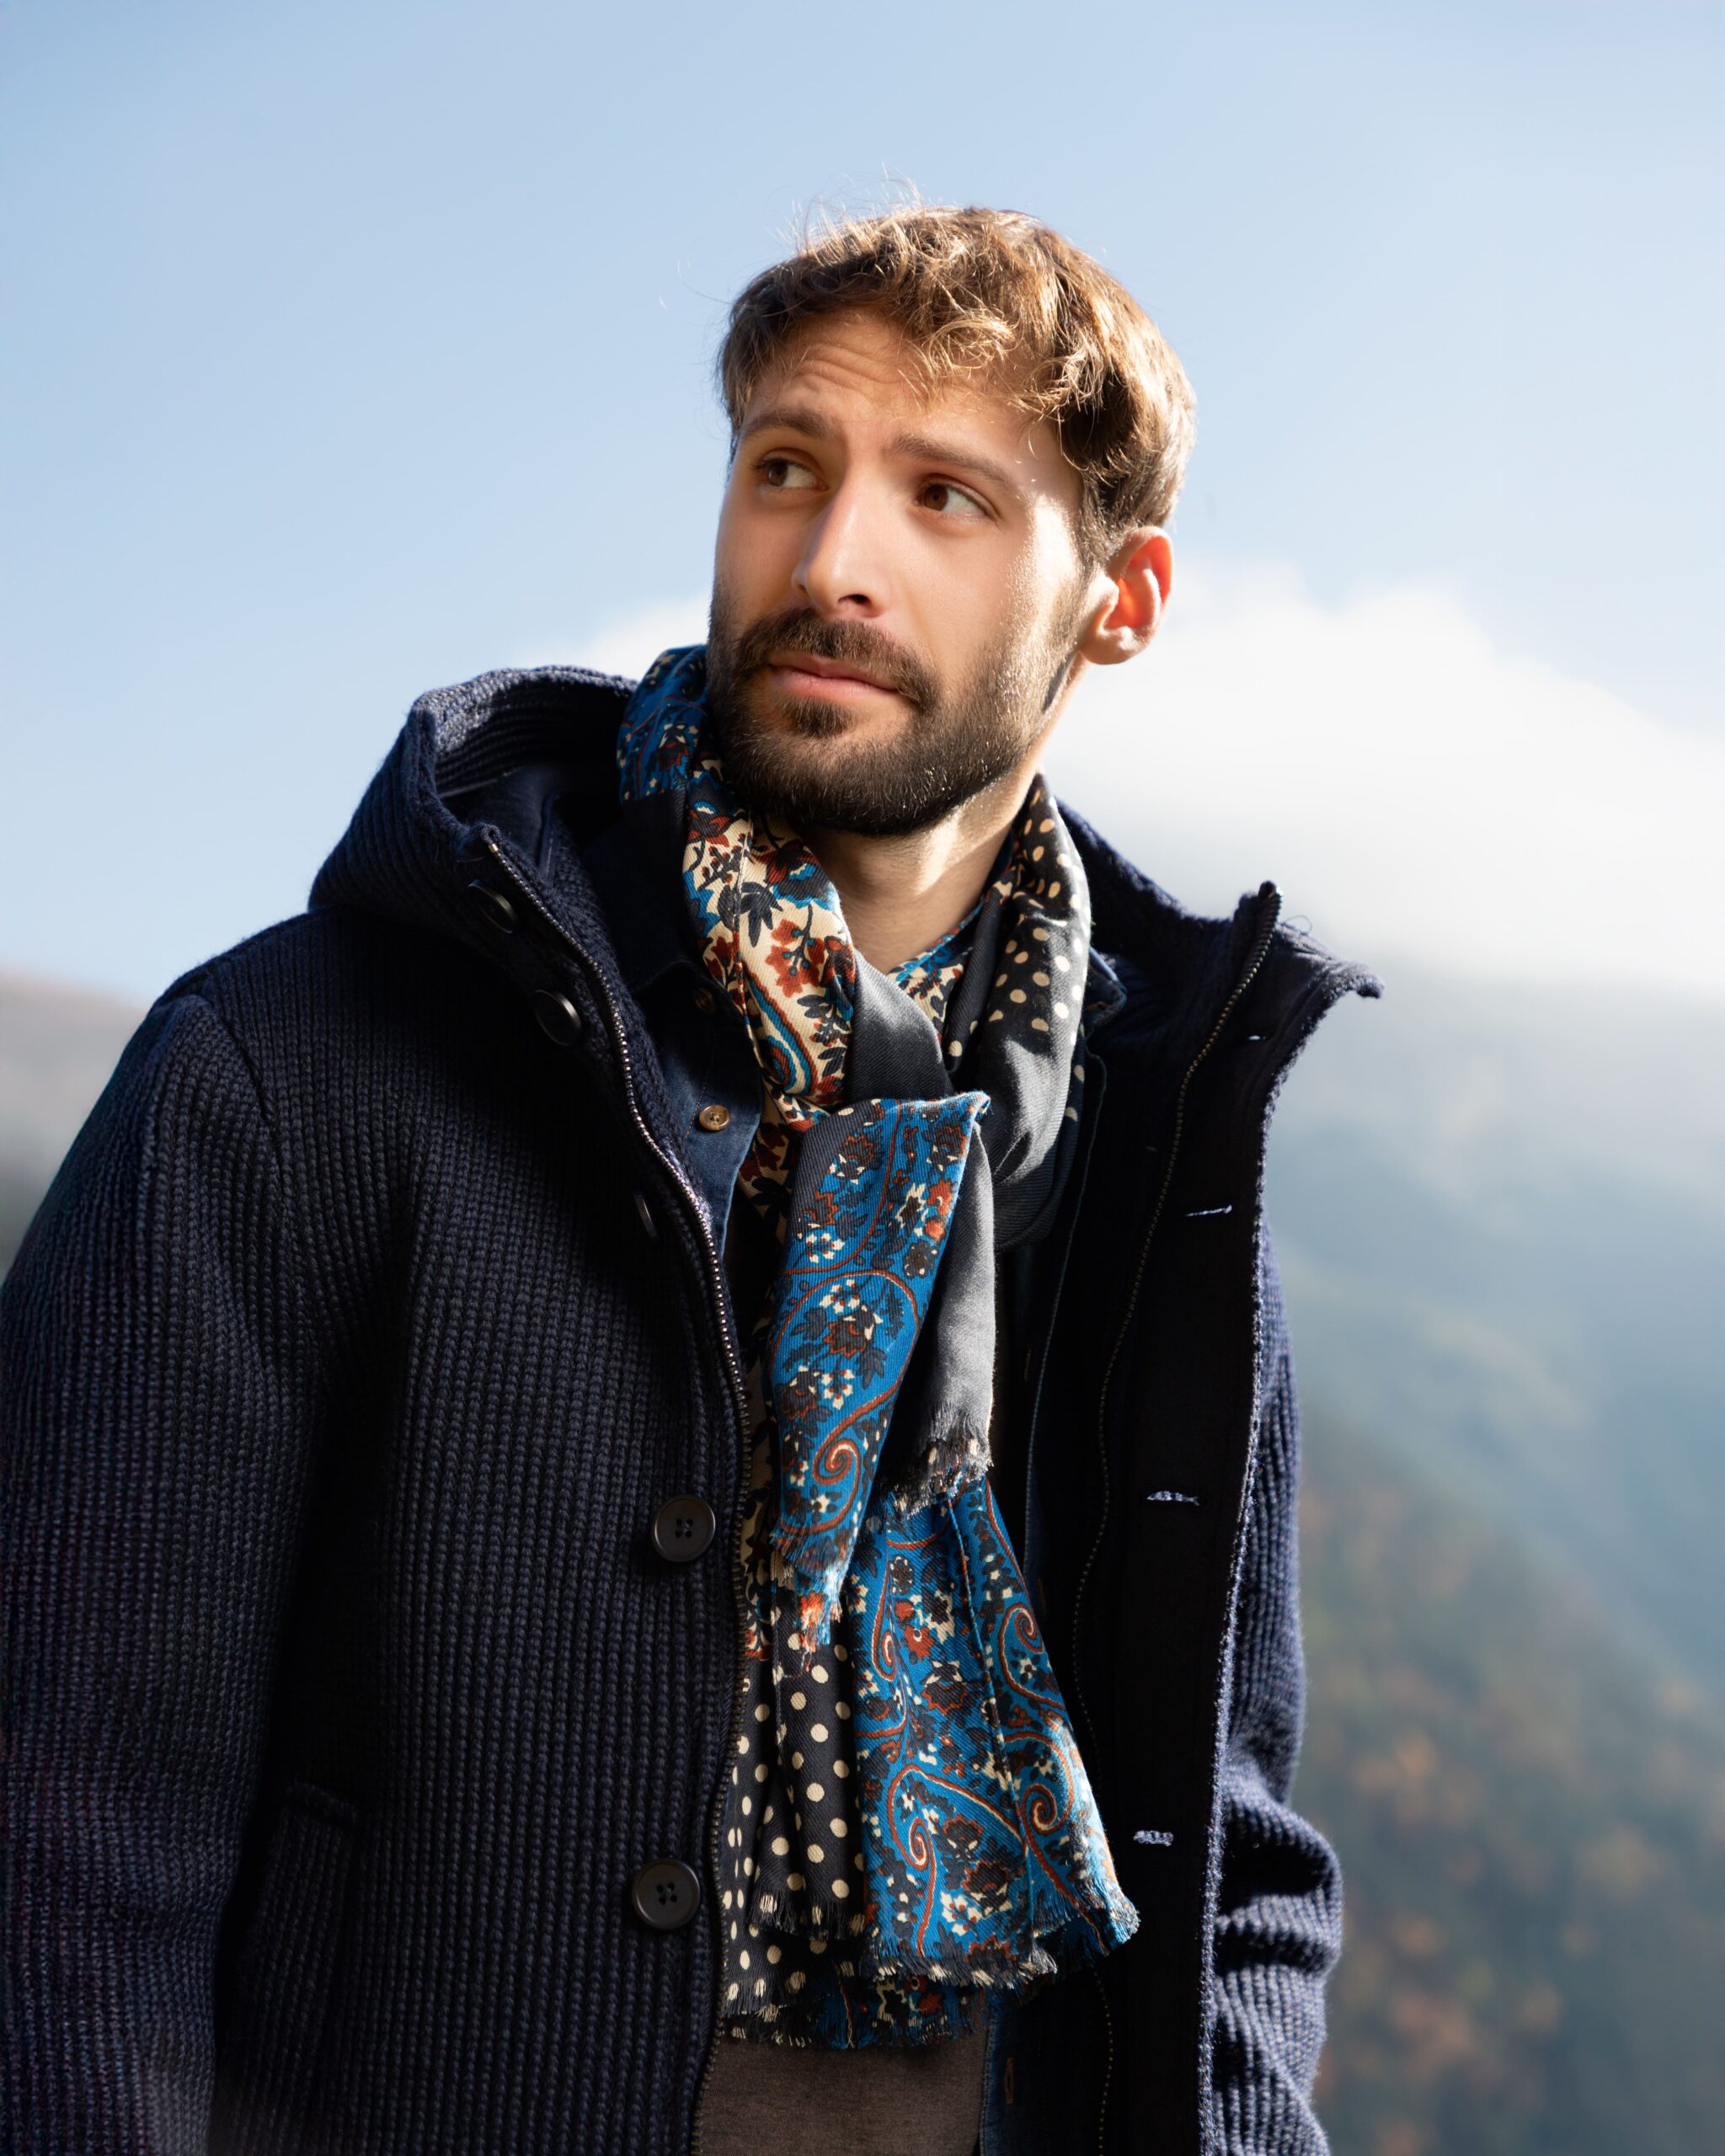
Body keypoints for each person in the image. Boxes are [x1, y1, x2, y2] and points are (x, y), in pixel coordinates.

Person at [0, 205, 1377, 2156]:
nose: (829, 562)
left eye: (945, 496)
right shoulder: (292, 1065)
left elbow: (1230, 1870)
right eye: (786, 467)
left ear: (1119, 597)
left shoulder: (1162, 1167)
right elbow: (64, 1841)